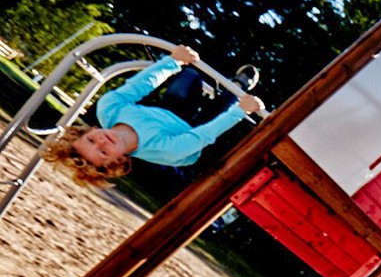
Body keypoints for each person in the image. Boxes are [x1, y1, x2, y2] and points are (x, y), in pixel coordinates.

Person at [39, 45, 264, 186]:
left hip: (169, 111)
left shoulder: (109, 110)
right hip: (192, 136)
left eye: (91, 140)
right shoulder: (164, 150)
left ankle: (206, 83)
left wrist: (173, 61)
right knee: (225, 107)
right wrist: (239, 112)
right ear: (118, 160)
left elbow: (139, 84)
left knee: (189, 76)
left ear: (90, 130)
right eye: (104, 151)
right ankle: (238, 86)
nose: (101, 141)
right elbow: (204, 135)